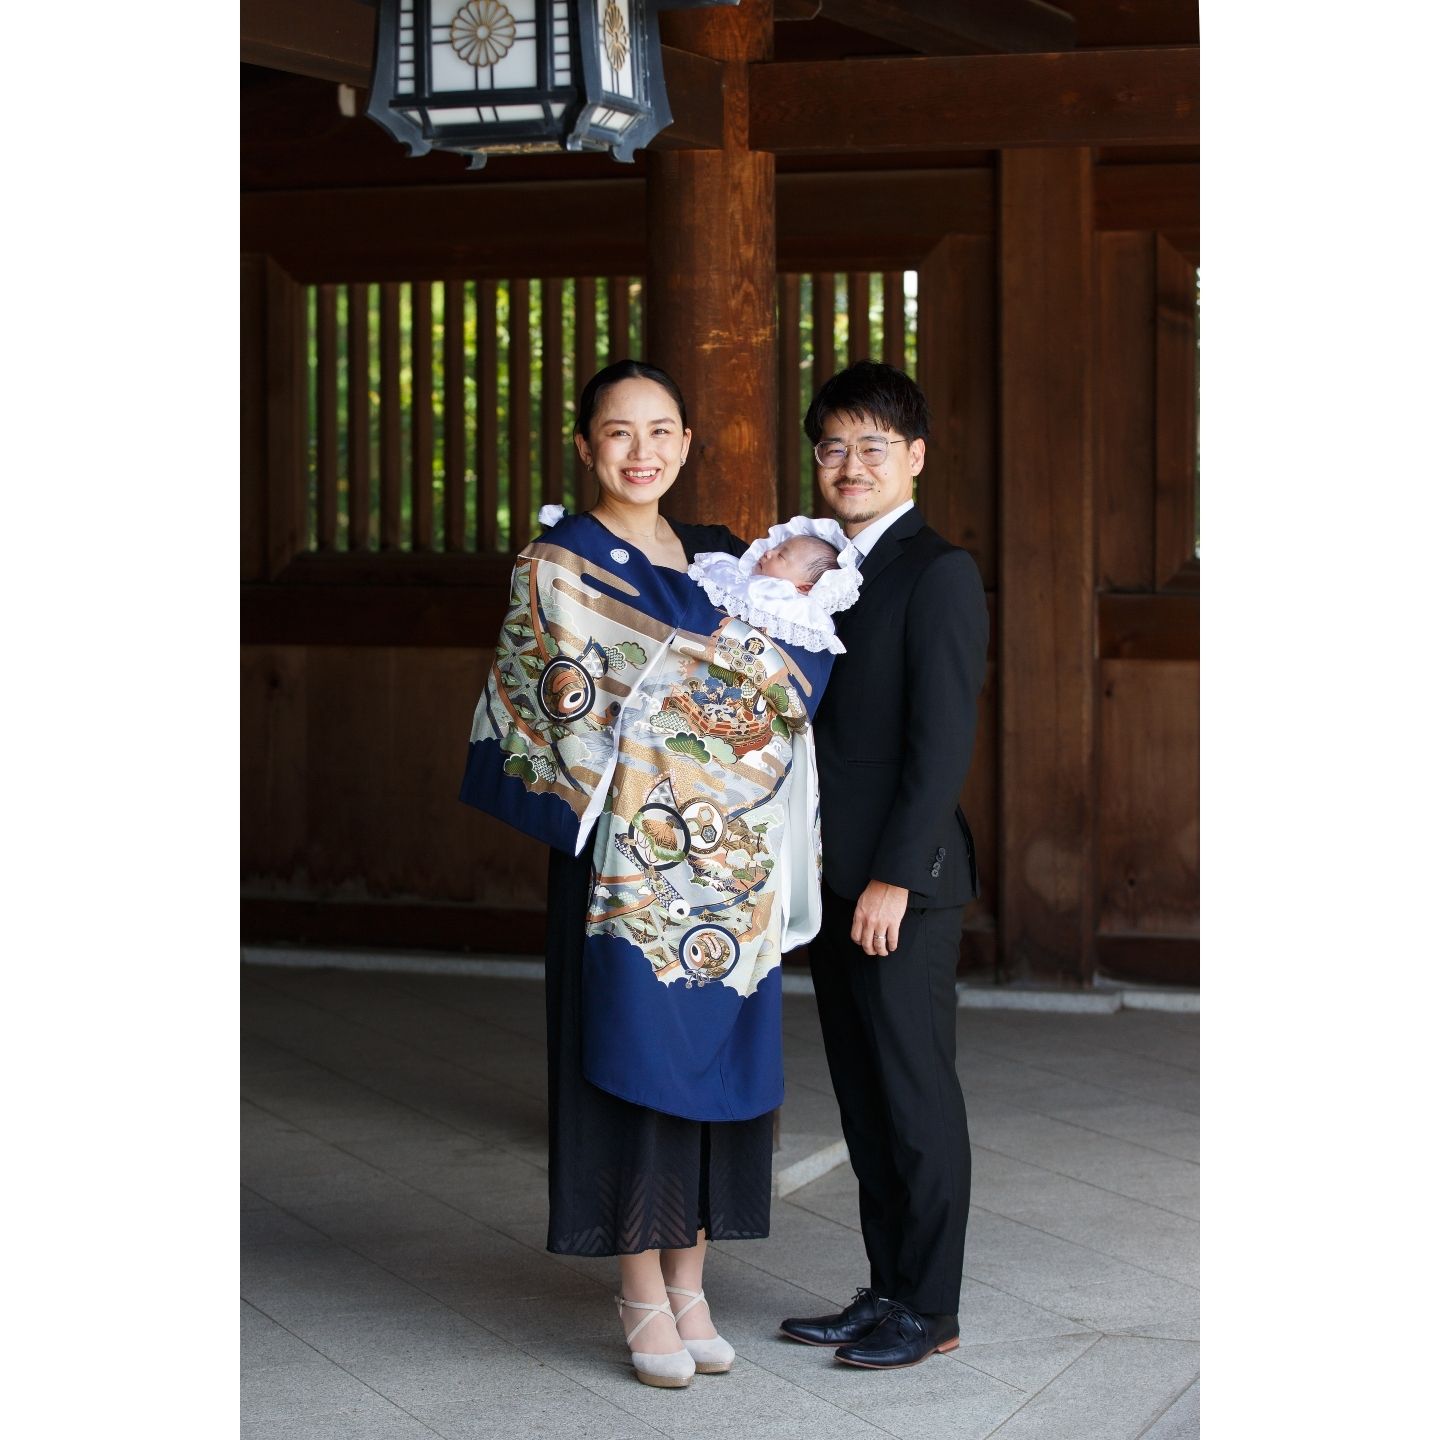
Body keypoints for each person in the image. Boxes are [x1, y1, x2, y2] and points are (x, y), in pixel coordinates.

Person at [457, 361, 837, 1389]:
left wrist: (726, 687)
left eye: (662, 431)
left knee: (715, 1073)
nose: (642, 452)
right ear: (586, 446)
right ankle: (638, 1291)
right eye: (619, 433)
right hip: (623, 869)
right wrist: (702, 686)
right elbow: (572, 703)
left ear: (685, 443)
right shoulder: (561, 564)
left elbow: (785, 675)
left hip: (730, 871)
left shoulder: (726, 556)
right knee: (630, 1067)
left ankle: (692, 1284)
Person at [777, 361, 990, 1370]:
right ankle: (888, 1288)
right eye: (831, 446)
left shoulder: (937, 571)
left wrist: (894, 879)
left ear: (913, 456)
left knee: (913, 1095)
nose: (848, 464)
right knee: (862, 1098)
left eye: (870, 446)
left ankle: (931, 1308)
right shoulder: (815, 568)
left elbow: (941, 742)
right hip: (831, 877)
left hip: (900, 883)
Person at [687, 515, 862, 657]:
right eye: (776, 547)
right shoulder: (736, 569)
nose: (768, 552)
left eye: (781, 556)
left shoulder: (792, 606)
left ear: (804, 588)